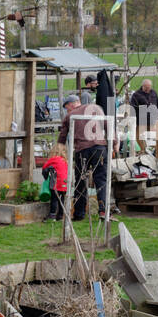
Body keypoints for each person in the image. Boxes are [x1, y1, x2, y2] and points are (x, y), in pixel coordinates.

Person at [59, 91, 111, 221]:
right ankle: (103, 211)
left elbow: (62, 137)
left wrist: (59, 151)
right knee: (101, 180)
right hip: (99, 148)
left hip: (82, 151)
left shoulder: (70, 115)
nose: (67, 110)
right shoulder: (96, 109)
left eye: (66, 107)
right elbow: (108, 126)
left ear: (71, 104)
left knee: (80, 181)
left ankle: (79, 213)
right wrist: (114, 143)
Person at [42, 142, 69, 221]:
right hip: (65, 183)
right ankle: (60, 215)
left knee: (54, 199)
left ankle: (52, 215)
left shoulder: (53, 160)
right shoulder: (65, 161)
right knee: (62, 200)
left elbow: (44, 167)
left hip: (56, 183)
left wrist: (46, 174)